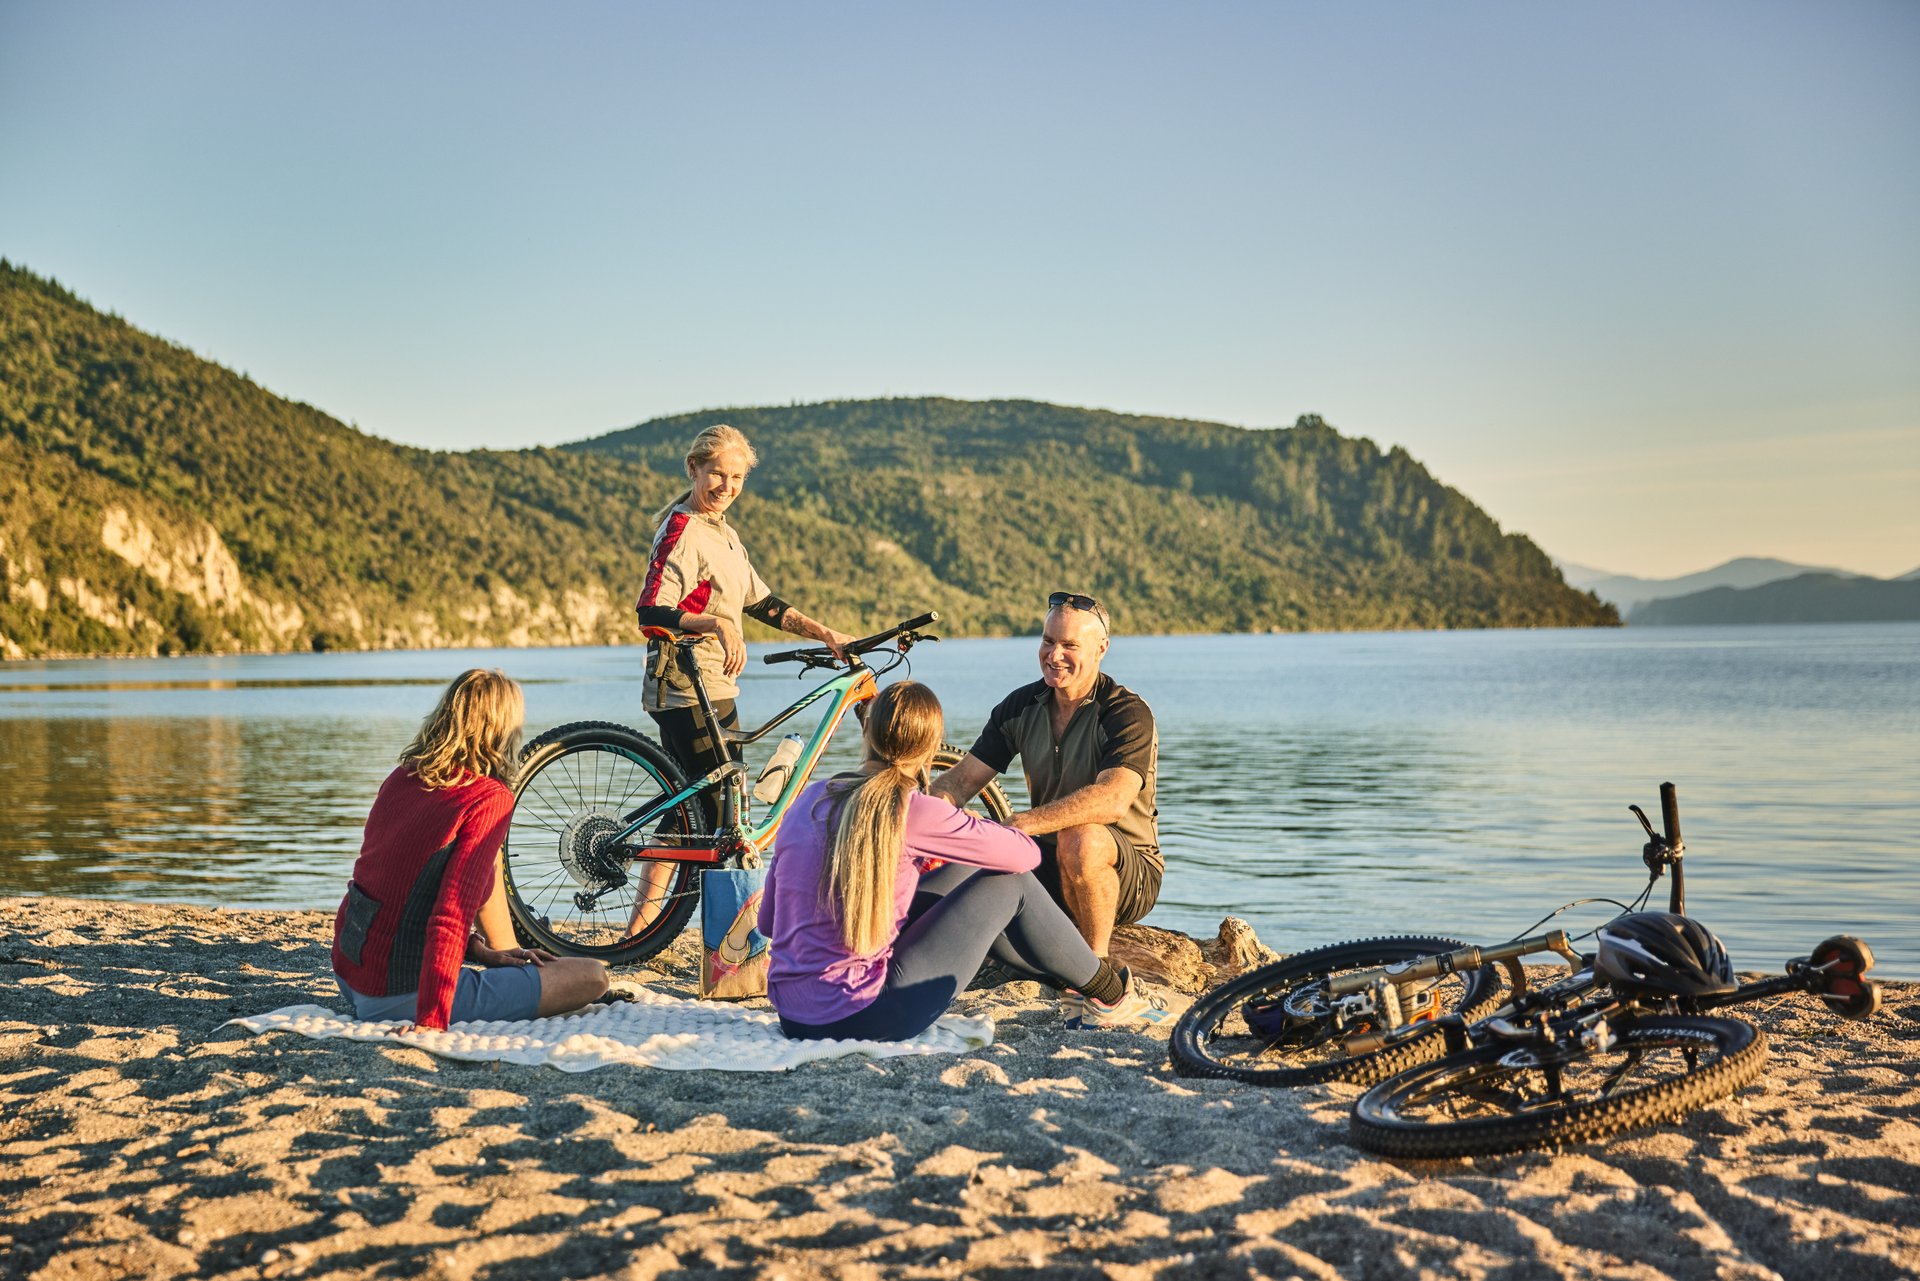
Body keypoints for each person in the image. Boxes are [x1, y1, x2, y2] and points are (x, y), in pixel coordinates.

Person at [758, 680, 1168, 1038]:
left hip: (792, 1015)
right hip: (866, 1014)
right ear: (933, 748)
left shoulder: (808, 799)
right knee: (1010, 884)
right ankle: (1110, 994)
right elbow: (1023, 854)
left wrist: (928, 860)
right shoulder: (913, 809)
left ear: (867, 731)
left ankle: (1064, 976)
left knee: (963, 867)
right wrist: (965, 830)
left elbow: (768, 922)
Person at [631, 423, 856, 931]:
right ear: (694, 469)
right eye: (717, 474)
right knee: (718, 817)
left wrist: (823, 632)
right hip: (685, 685)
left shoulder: (725, 533)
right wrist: (714, 625)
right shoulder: (683, 530)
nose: (727, 487)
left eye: (736, 478)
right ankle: (728, 938)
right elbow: (651, 611)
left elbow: (761, 603)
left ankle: (637, 933)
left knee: (692, 809)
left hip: (716, 686)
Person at [331, 669, 610, 1031]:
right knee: (592, 976)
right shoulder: (487, 798)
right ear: (502, 730)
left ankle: (505, 950)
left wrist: (480, 951)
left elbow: (389, 884)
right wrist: (431, 1022)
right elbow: (450, 913)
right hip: (397, 997)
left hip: (350, 974)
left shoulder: (403, 776)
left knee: (486, 858)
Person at [929, 591, 1160, 960]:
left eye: (1070, 644)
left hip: (1127, 870)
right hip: (1046, 862)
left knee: (1080, 839)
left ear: (1101, 649)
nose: (1054, 655)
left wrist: (1020, 824)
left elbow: (1113, 800)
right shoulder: (1020, 706)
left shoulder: (1126, 713)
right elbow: (958, 782)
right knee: (957, 851)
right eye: (1048, 641)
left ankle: (1095, 972)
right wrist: (921, 816)